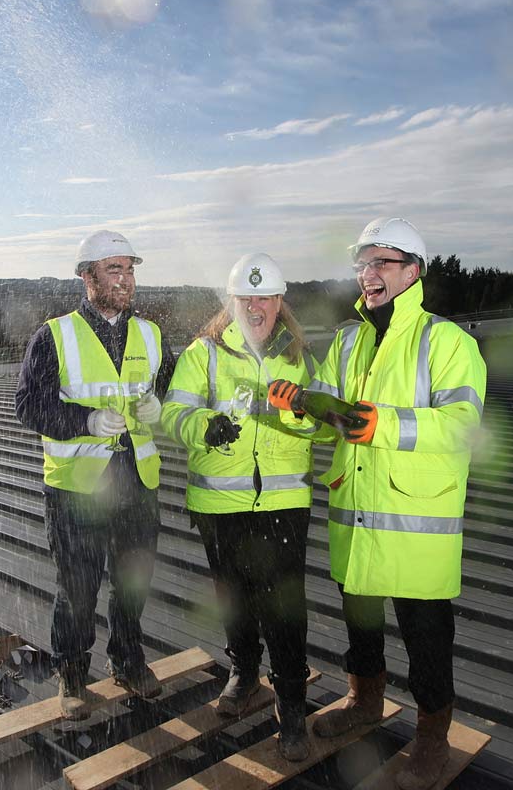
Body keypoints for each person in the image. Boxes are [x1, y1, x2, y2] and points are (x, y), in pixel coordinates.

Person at [270, 218, 486, 790]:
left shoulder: (446, 342)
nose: (367, 274)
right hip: (356, 512)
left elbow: (463, 426)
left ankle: (432, 738)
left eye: (380, 262)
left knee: (427, 639)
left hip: (418, 522)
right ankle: (364, 703)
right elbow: (334, 427)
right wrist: (302, 409)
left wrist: (382, 424)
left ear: (412, 271)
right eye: (362, 264)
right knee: (361, 624)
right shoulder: (347, 340)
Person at [161, 253, 320, 762]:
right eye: (246, 298)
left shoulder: (300, 357)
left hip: (282, 502)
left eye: (265, 297)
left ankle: (292, 709)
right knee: (234, 597)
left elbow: (318, 423)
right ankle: (245, 674)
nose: (256, 306)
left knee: (284, 608)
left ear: (279, 303)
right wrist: (203, 425)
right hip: (220, 504)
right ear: (232, 302)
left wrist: (293, 414)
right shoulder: (203, 354)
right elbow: (174, 413)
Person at [15, 229, 177, 721]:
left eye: (130, 269)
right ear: (87, 276)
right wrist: (82, 420)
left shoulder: (150, 334)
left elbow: (169, 390)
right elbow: (28, 406)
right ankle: (71, 672)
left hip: (135, 479)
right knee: (78, 586)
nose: (126, 280)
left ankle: (128, 660)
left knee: (133, 578)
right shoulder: (55, 335)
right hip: (78, 487)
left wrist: (159, 406)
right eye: (114, 269)